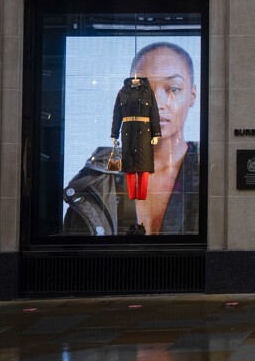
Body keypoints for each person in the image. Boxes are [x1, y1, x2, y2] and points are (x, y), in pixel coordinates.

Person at [63, 41, 200, 236]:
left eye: (173, 89)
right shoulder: (96, 180)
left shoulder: (212, 173)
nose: (158, 103)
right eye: (145, 90)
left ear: (192, 96)